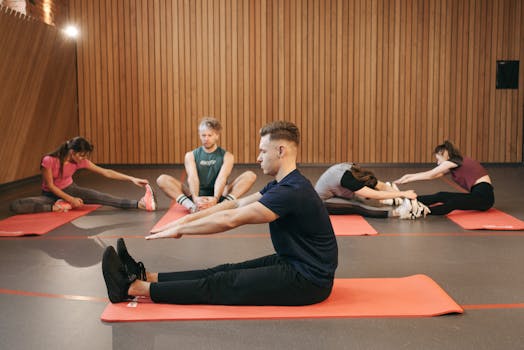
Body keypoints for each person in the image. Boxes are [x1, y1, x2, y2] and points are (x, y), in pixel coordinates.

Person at [102, 121, 338, 306]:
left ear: (280, 150)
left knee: (223, 283)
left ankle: (132, 289)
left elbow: (231, 220)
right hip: (294, 262)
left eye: (262, 151)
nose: (258, 158)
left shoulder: (292, 191)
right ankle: (147, 277)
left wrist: (180, 230)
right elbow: (233, 205)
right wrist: (186, 218)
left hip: (308, 279)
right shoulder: (282, 184)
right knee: (223, 270)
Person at [9, 137, 156, 214]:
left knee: (101, 197)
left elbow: (106, 172)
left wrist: (132, 179)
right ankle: (56, 207)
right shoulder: (49, 160)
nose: (83, 158)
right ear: (72, 152)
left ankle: (140, 204)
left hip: (71, 189)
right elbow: (50, 186)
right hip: (50, 194)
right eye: (81, 155)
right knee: (16, 205)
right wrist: (70, 200)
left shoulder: (80, 162)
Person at [156, 117, 256, 212]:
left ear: (216, 136)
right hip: (196, 196)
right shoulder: (190, 155)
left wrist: (215, 198)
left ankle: (224, 205)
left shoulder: (227, 156)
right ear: (200, 135)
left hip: (219, 194)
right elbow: (192, 178)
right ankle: (191, 207)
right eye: (203, 135)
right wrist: (195, 198)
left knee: (250, 176)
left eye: (210, 135)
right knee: (162, 179)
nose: (206, 139)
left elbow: (221, 178)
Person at [394, 140, 494, 215]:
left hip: (484, 197)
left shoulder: (453, 161)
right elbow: (435, 175)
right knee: (442, 195)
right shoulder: (456, 163)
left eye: (438, 159)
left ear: (445, 155)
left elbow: (430, 174)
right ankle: (411, 200)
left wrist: (408, 178)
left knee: (453, 202)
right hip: (478, 196)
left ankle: (423, 211)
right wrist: (408, 176)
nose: (438, 163)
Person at [315, 163, 429, 219]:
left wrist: (403, 196)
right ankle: (399, 213)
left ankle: (392, 200)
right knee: (358, 207)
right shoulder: (349, 180)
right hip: (322, 203)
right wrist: (403, 194)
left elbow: (380, 185)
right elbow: (376, 194)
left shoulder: (355, 170)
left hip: (337, 191)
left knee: (363, 198)